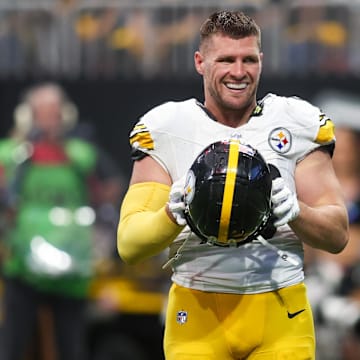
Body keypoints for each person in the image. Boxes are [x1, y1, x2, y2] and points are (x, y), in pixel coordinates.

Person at [117, 10, 349, 360]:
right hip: (197, 312)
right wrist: (171, 212)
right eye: (226, 59)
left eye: (248, 60)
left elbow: (337, 234)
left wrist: (297, 214)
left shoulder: (296, 122)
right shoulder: (166, 127)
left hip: (280, 310)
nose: (239, 72)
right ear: (200, 61)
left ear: (262, 61)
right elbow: (129, 244)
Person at [0, 82, 122, 360]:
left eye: (54, 113)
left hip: (72, 271)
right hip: (23, 268)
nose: (49, 120)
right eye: (42, 113)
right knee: (12, 346)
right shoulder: (11, 155)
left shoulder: (81, 155)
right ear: (27, 116)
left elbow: (111, 186)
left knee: (72, 348)